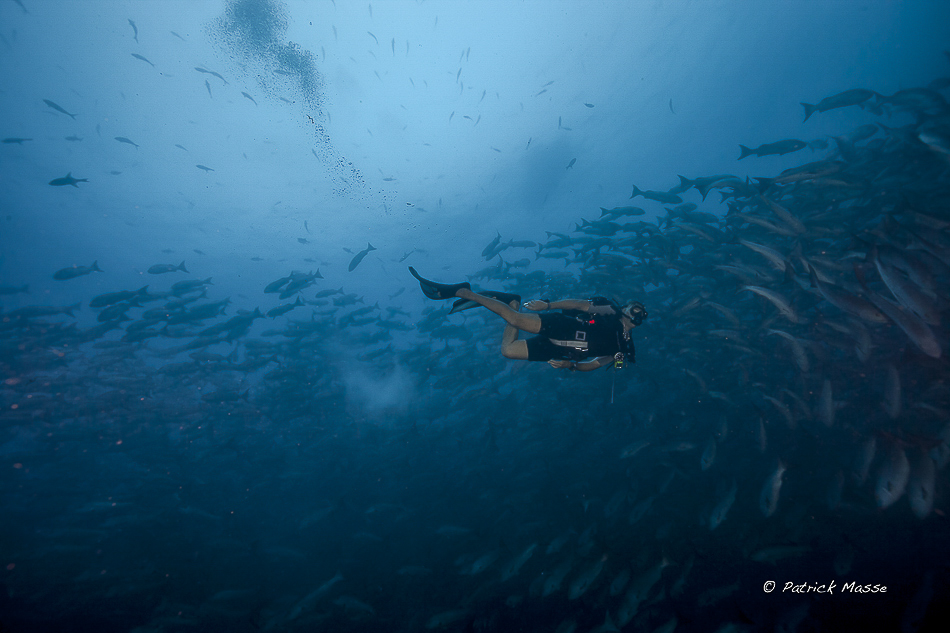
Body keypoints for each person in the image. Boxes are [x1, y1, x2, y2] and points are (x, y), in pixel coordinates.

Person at [408, 267, 647, 371]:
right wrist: (549, 305)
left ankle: (512, 300)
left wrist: (571, 366)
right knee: (515, 320)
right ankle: (461, 291)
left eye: (642, 314)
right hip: (565, 327)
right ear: (626, 308)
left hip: (562, 352)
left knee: (508, 351)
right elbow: (579, 305)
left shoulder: (624, 348)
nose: (638, 314)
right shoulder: (610, 312)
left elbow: (594, 365)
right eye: (635, 308)